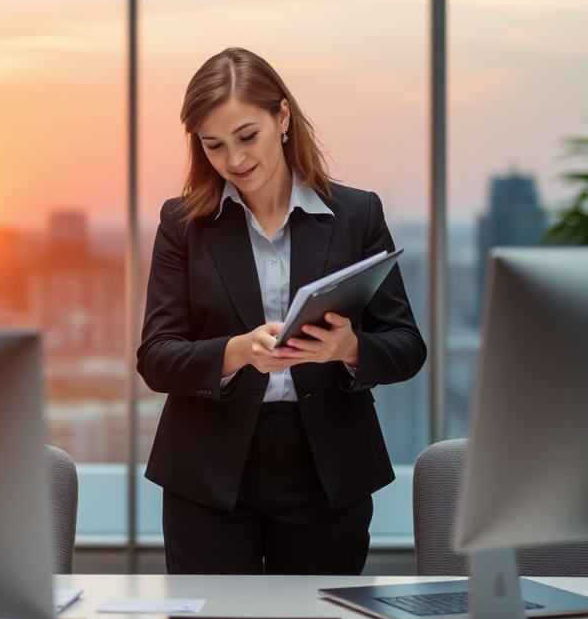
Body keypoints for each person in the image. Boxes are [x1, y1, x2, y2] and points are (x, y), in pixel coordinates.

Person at [137, 47, 427, 575]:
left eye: (248, 136)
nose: (234, 160)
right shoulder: (183, 224)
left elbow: (407, 346)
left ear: (283, 117)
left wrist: (351, 348)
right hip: (209, 472)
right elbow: (156, 358)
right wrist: (237, 352)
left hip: (327, 469)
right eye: (214, 145)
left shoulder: (356, 214)